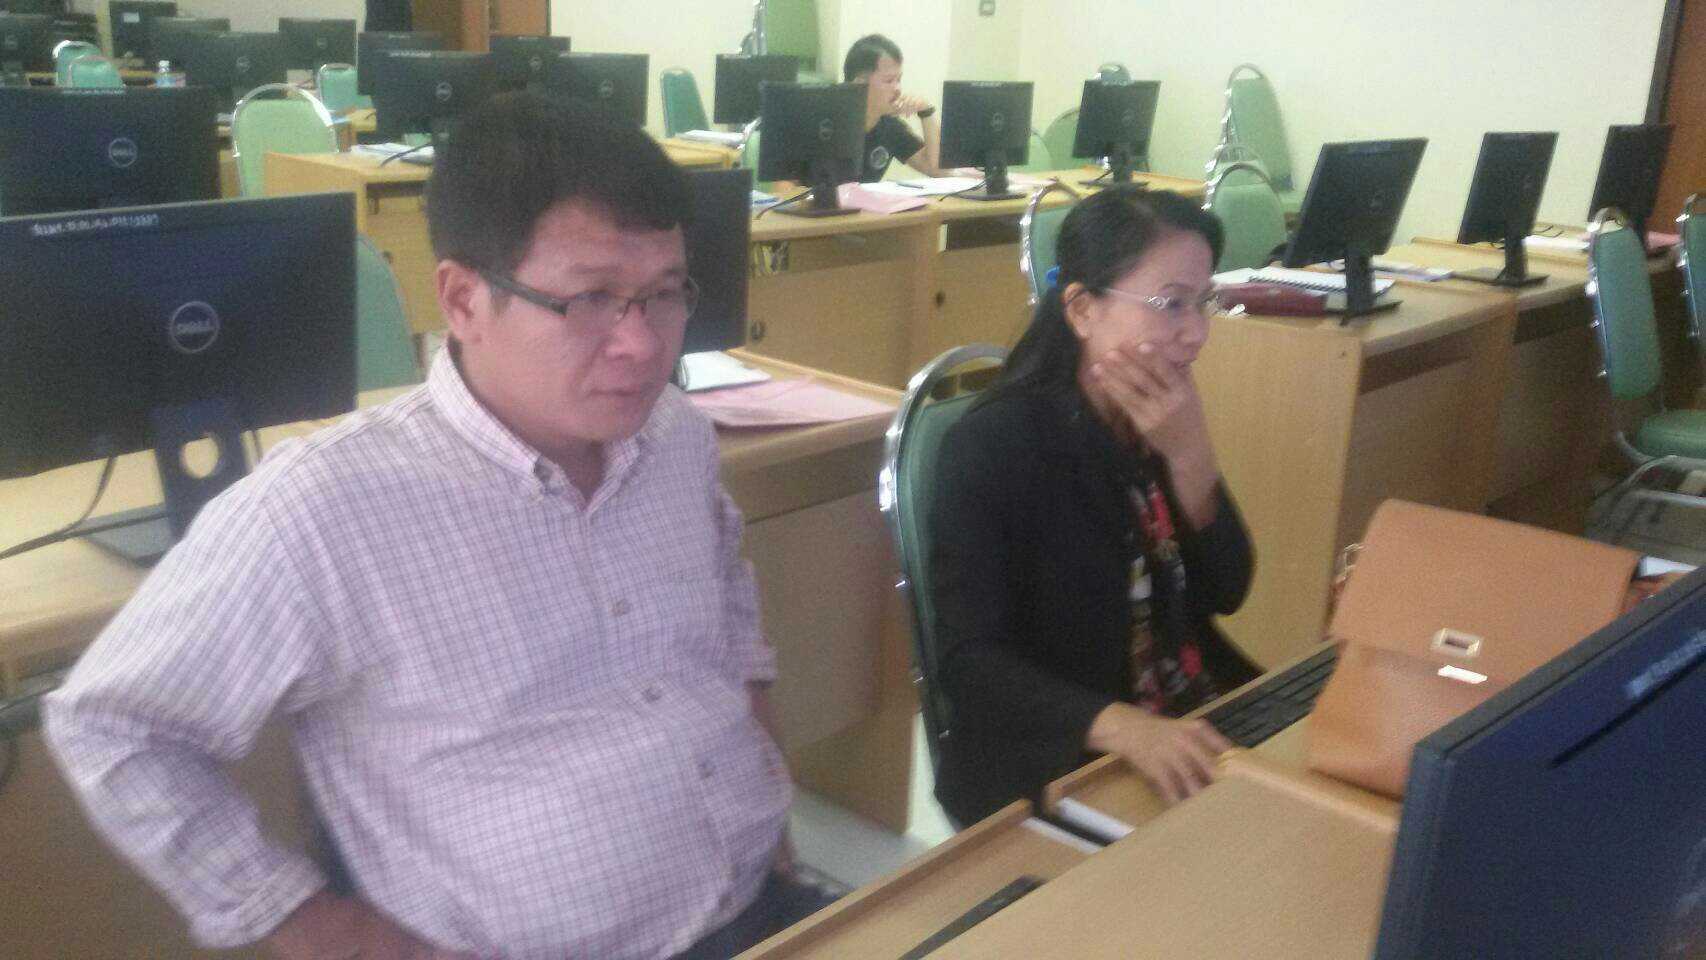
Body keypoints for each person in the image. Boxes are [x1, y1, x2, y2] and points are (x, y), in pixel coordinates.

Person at [45, 92, 833, 960]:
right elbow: (114, 724)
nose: (643, 345)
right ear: (461, 300)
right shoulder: (323, 509)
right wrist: (311, 924)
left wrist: (769, 803)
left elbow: (728, 614)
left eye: (663, 293)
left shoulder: (675, 436)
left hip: (768, 903)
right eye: (592, 299)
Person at [926, 185, 1262, 826]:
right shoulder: (997, 444)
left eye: (1204, 303)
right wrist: (1123, 727)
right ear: (1082, 309)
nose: (1196, 333)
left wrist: (1192, 458)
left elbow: (1228, 591)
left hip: (1183, 719)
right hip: (1059, 759)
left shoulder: (1155, 416)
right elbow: (970, 665)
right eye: (1171, 304)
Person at [842, 34, 945, 181]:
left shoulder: (889, 126)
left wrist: (926, 111)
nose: (898, 89)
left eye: (899, 79)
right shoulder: (828, 125)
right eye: (889, 80)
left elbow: (935, 169)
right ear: (860, 85)